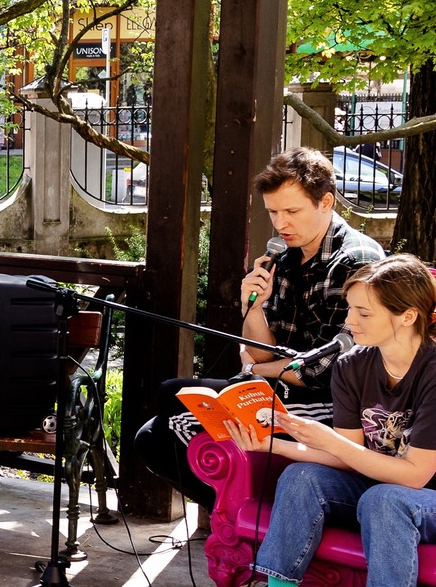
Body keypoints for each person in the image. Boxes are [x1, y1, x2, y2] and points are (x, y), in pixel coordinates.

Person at [231, 256, 436, 587]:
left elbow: (416, 476)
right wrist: (273, 445)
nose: (350, 321)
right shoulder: (352, 365)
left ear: (407, 316)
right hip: (379, 481)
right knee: (302, 477)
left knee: (386, 500)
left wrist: (331, 441)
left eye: (364, 312)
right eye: (350, 308)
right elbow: (347, 457)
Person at [134, 148, 386, 508]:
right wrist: (251, 307)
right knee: (160, 414)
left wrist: (254, 369)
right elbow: (262, 350)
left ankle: (249, 518)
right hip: (279, 388)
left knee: (164, 426)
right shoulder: (283, 256)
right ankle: (242, 514)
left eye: (292, 211)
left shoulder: (355, 261)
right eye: (273, 212)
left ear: (326, 202)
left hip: (334, 405)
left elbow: (324, 371)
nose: (281, 224)